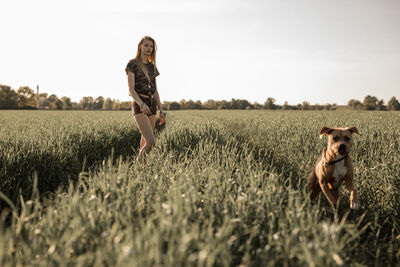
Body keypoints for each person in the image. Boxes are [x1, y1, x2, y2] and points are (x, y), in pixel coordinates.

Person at [125, 36, 164, 158]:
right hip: (140, 104)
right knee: (151, 142)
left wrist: (161, 109)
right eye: (146, 45)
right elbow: (131, 90)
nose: (149, 48)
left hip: (152, 105)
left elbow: (155, 91)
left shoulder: (152, 66)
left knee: (145, 141)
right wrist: (141, 104)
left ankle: (142, 170)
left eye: (151, 46)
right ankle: (137, 166)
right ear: (140, 47)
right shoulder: (132, 64)